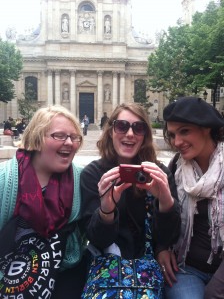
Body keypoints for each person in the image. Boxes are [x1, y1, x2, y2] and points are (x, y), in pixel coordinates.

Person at [80, 102, 181, 297]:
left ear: (145, 137)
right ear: (111, 131)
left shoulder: (158, 173)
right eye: (121, 126)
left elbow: (169, 237)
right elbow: (97, 240)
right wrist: (106, 210)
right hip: (107, 271)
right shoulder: (94, 174)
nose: (130, 134)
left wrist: (166, 201)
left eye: (138, 127)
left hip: (147, 272)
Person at [0, 105, 88, 298]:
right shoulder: (5, 179)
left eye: (74, 137)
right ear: (37, 138)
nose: (69, 143)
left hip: (62, 277)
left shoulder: (81, 178)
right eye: (59, 136)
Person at [160, 96, 224, 299]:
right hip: (187, 268)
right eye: (172, 135)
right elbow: (165, 217)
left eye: (185, 131)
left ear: (206, 128)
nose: (177, 142)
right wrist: (161, 247)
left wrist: (215, 290)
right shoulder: (176, 167)